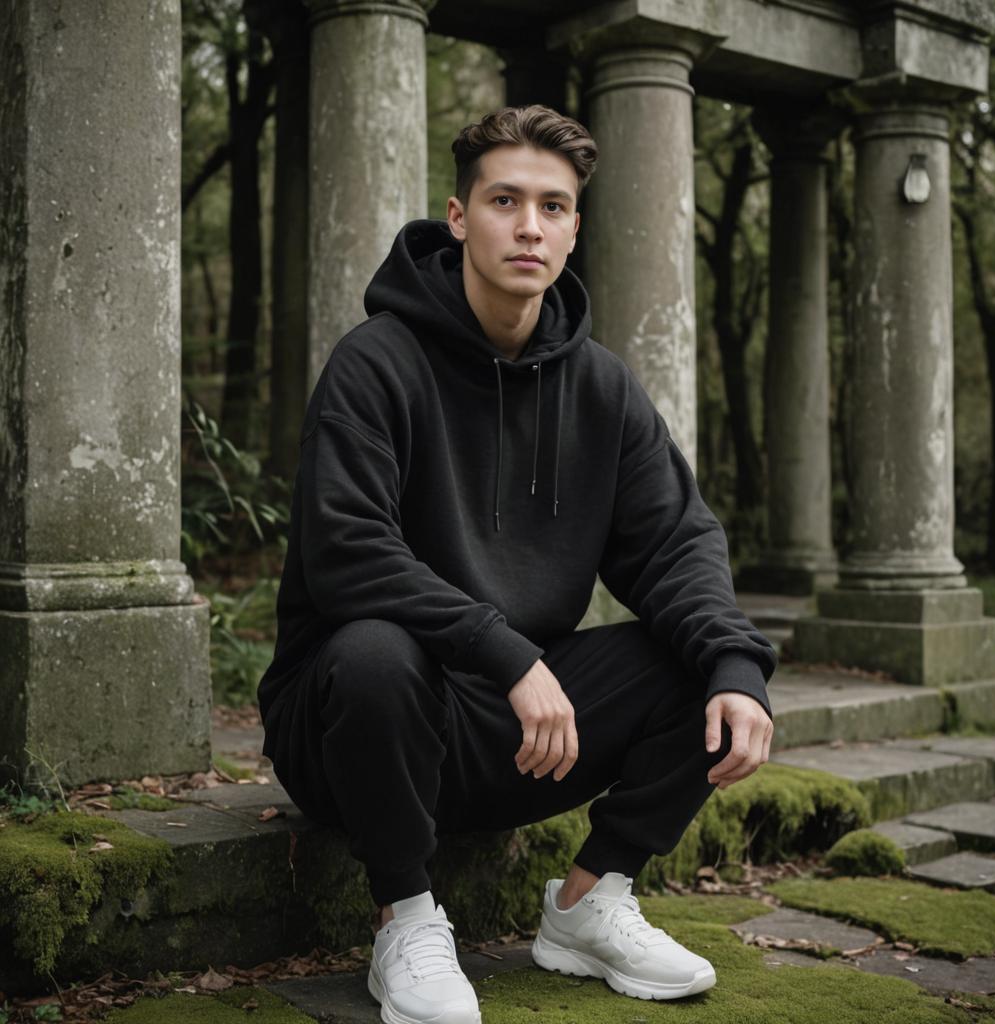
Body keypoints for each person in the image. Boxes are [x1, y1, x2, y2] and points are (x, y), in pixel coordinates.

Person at [257, 104, 777, 1024]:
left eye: (553, 206)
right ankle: (406, 919)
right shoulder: (375, 364)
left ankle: (588, 902)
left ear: (575, 228)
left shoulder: (604, 388)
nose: (528, 226)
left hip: (517, 732)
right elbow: (347, 550)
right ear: (459, 217)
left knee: (705, 665)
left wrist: (738, 667)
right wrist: (509, 654)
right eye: (505, 200)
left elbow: (675, 542)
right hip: (356, 726)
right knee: (374, 650)